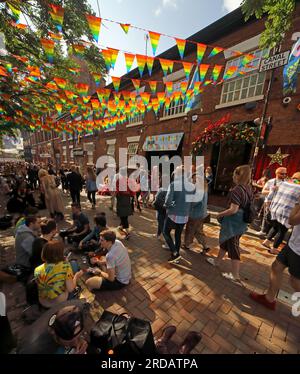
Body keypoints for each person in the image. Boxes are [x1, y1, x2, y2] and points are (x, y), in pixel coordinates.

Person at [250, 196, 300, 310]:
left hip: (298, 251)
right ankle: (269, 299)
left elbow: (292, 220)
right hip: (293, 244)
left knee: (295, 281)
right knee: (276, 267)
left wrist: (298, 203)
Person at [206, 165, 253, 286]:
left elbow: (233, 209)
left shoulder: (237, 189)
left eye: (234, 174)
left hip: (234, 222)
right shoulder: (248, 188)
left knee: (233, 246)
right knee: (226, 242)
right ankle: (217, 261)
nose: (232, 176)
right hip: (241, 221)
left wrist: (220, 214)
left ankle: (235, 275)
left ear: (238, 175)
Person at [34, 241, 83, 309]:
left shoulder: (37, 269)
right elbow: (70, 289)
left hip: (43, 302)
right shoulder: (65, 266)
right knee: (74, 264)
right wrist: (76, 276)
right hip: (58, 303)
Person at [163, 166, 195, 263]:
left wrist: (167, 205)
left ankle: (175, 253)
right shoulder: (192, 186)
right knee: (178, 235)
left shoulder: (173, 184)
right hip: (185, 214)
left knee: (165, 232)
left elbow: (168, 200)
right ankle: (175, 256)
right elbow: (192, 201)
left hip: (174, 213)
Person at [262, 173, 300, 254]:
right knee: (282, 231)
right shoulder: (299, 188)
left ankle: (266, 242)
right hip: (286, 212)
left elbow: (272, 193)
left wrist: (268, 204)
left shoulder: (283, 183)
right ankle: (274, 249)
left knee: (276, 227)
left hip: (275, 209)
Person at [183, 172, 210, 253]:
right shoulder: (204, 188)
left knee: (189, 230)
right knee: (198, 231)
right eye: (193, 180)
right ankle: (205, 246)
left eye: (195, 181)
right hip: (202, 214)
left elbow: (194, 202)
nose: (193, 182)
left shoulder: (198, 190)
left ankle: (187, 244)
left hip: (194, 214)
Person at [258, 167, 287, 236]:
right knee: (266, 217)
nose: (284, 175)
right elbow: (263, 192)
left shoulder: (286, 183)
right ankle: (263, 230)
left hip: (280, 204)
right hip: (269, 202)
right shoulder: (270, 181)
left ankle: (269, 233)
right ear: (276, 173)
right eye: (282, 174)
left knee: (275, 219)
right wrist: (271, 190)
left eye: (285, 174)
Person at [116, 167, 135, 239]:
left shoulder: (119, 180)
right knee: (125, 216)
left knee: (123, 217)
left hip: (121, 199)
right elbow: (132, 191)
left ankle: (128, 233)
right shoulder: (129, 180)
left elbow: (117, 190)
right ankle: (121, 227)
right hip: (127, 199)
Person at [153, 175, 168, 239]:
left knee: (161, 222)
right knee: (162, 222)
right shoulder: (170, 188)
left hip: (160, 208)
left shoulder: (161, 189)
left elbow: (157, 199)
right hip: (166, 208)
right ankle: (158, 234)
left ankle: (166, 239)